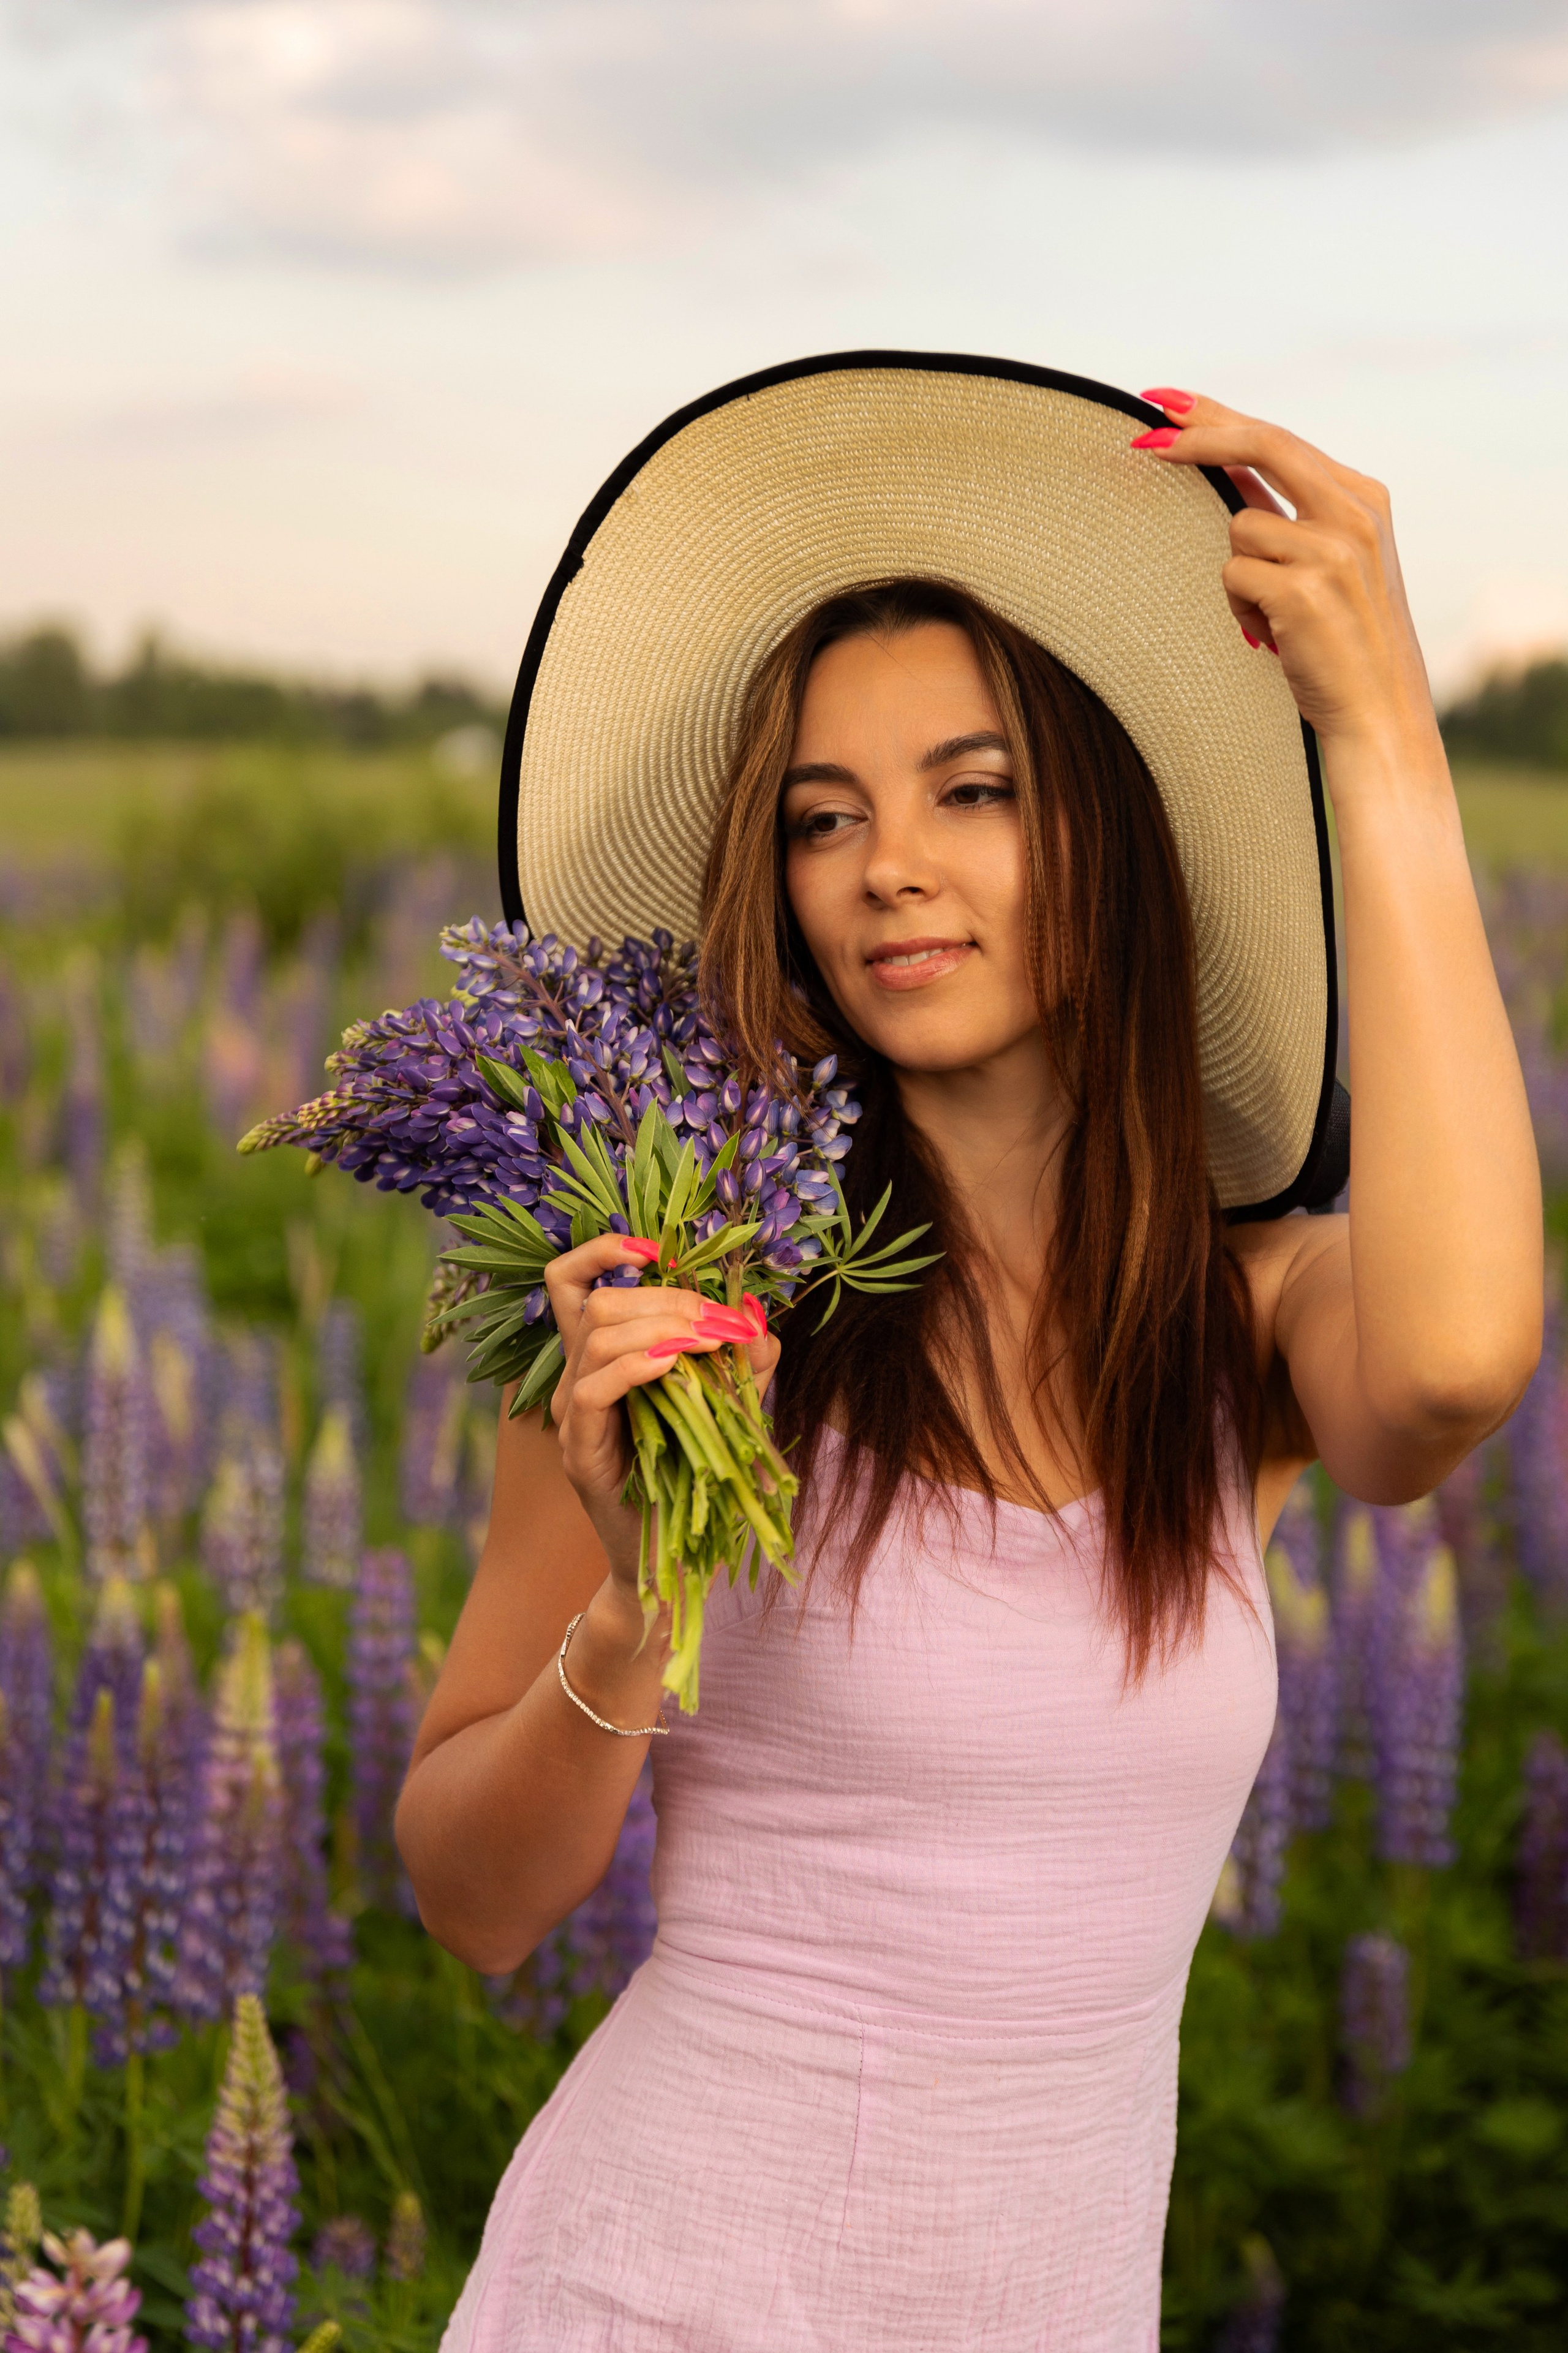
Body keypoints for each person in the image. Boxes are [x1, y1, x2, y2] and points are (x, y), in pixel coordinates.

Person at [396, 360, 1541, 2351]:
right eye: (824, 817)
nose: (889, 864)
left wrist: (1378, 734)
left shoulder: (1236, 1320)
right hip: (653, 2292)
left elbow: (1451, 1369)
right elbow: (474, 1902)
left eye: (974, 788)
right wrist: (643, 1594)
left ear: (1109, 825)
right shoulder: (688, 1301)